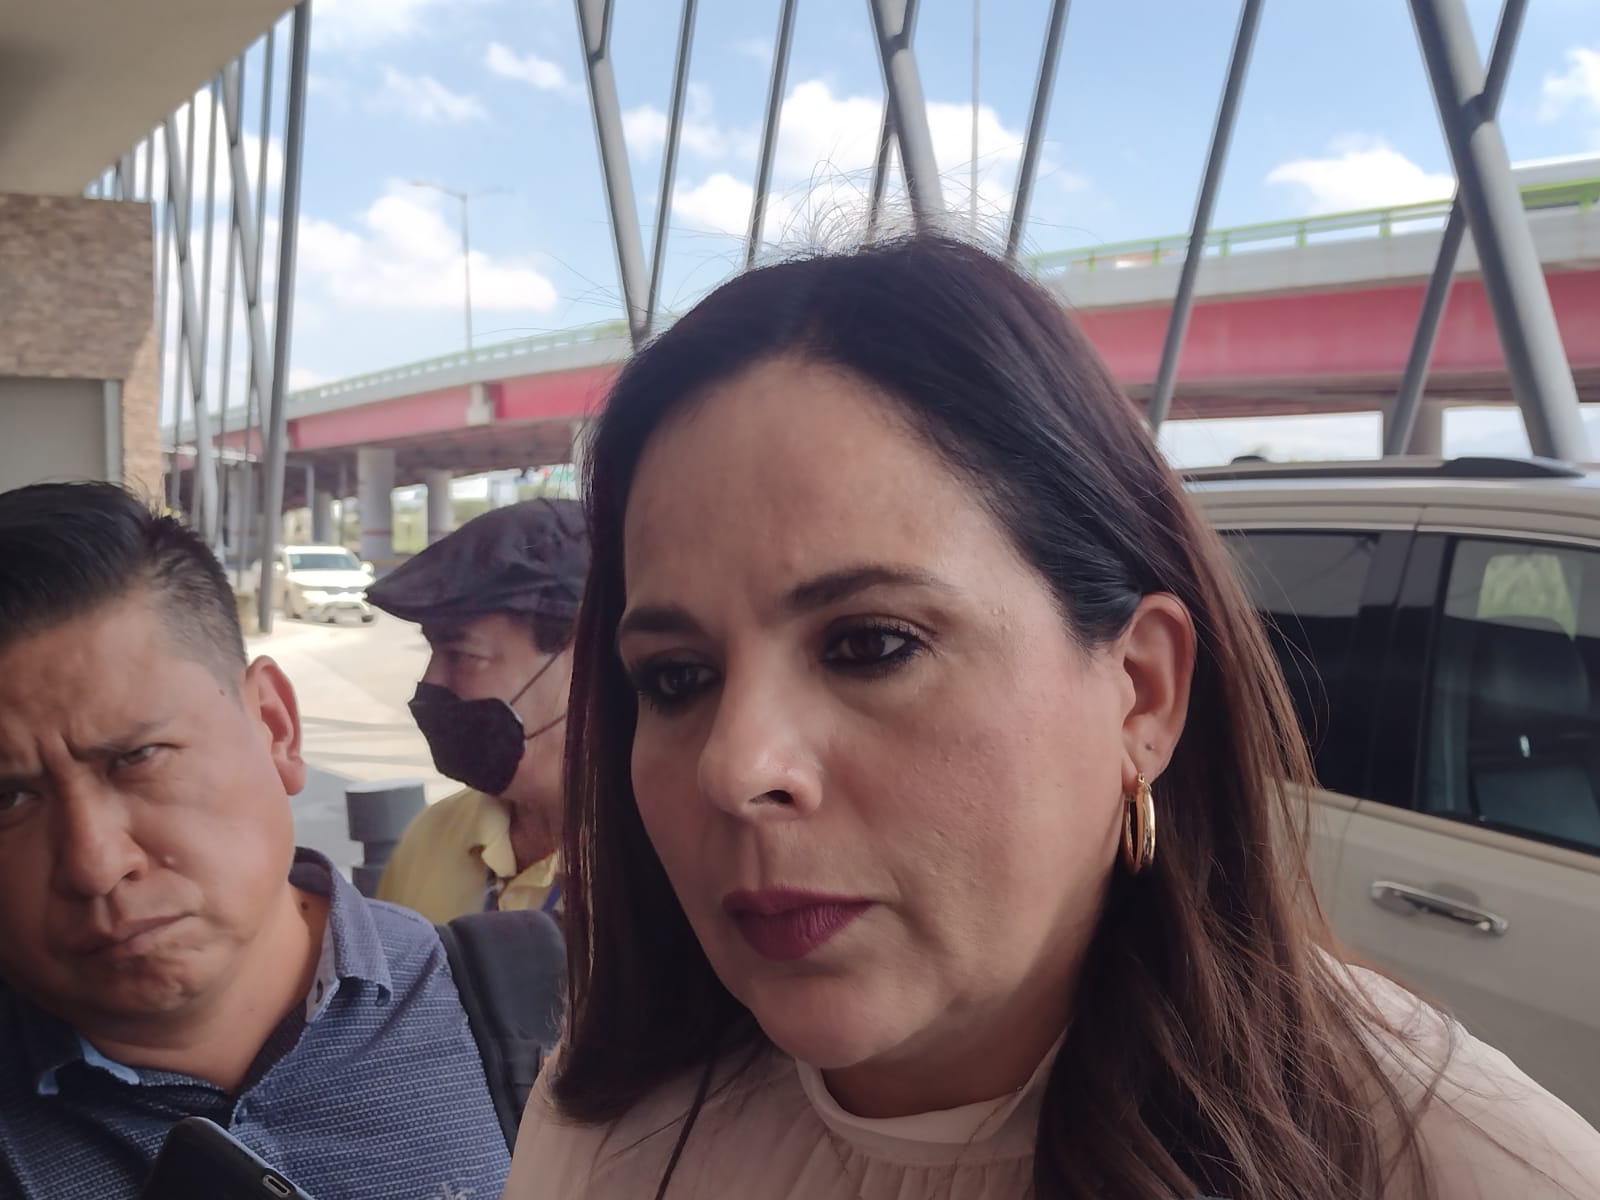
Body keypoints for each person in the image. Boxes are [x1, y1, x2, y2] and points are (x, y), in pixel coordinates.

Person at [501, 235, 1600, 1200]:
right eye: (676, 679)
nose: (736, 767)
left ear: (1142, 692)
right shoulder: (608, 1124)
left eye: (871, 645)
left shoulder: (1464, 1170)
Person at [0, 482, 510, 1199]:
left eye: (138, 757)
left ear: (275, 727)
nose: (95, 864)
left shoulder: (524, 1018)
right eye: (8, 799)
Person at [367, 498, 588, 924]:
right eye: (432, 651)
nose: (431, 683)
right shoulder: (430, 840)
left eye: (464, 655)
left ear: (588, 663)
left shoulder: (667, 869)